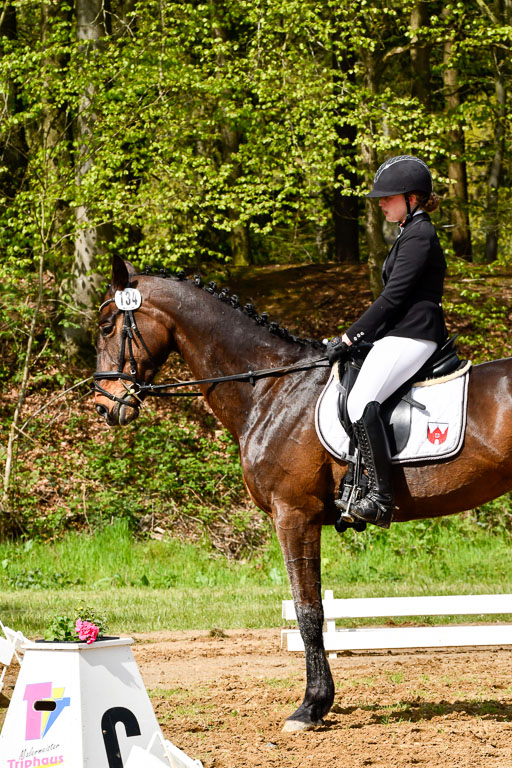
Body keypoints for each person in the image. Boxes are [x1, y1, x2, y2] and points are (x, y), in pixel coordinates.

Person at [328, 155, 447, 529]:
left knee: (362, 400)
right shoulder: (408, 233)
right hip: (401, 332)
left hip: (416, 334)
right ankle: (357, 486)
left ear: (412, 197)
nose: (380, 202)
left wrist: (350, 336)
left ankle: (380, 498)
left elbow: (393, 299)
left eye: (388, 196)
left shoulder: (420, 235)